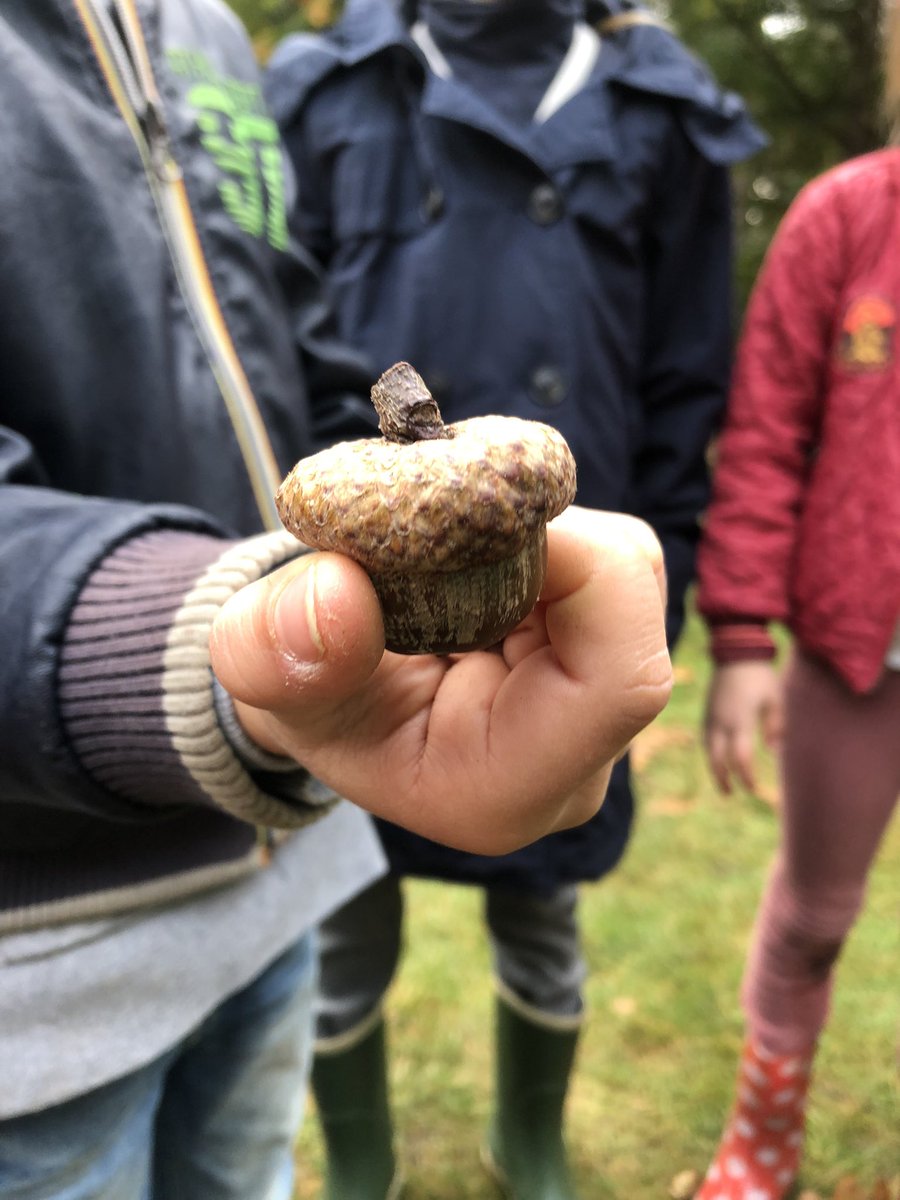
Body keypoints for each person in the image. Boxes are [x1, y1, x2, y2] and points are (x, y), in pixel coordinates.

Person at [0, 1, 673, 1197]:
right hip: (41, 961)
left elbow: (304, 353)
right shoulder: (318, 67)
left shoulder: (202, 32)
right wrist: (201, 642)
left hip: (281, 871)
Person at [264, 2, 765, 1196]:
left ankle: (529, 1143)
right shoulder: (330, 87)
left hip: (563, 605)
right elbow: (279, 330)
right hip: (363, 602)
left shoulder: (662, 108)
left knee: (544, 897)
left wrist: (665, 578)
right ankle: (360, 1157)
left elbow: (687, 378)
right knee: (347, 912)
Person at [692, 8, 900, 1195]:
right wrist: (740, 638)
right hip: (853, 648)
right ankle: (762, 1136)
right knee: (816, 913)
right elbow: (766, 439)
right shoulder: (842, 215)